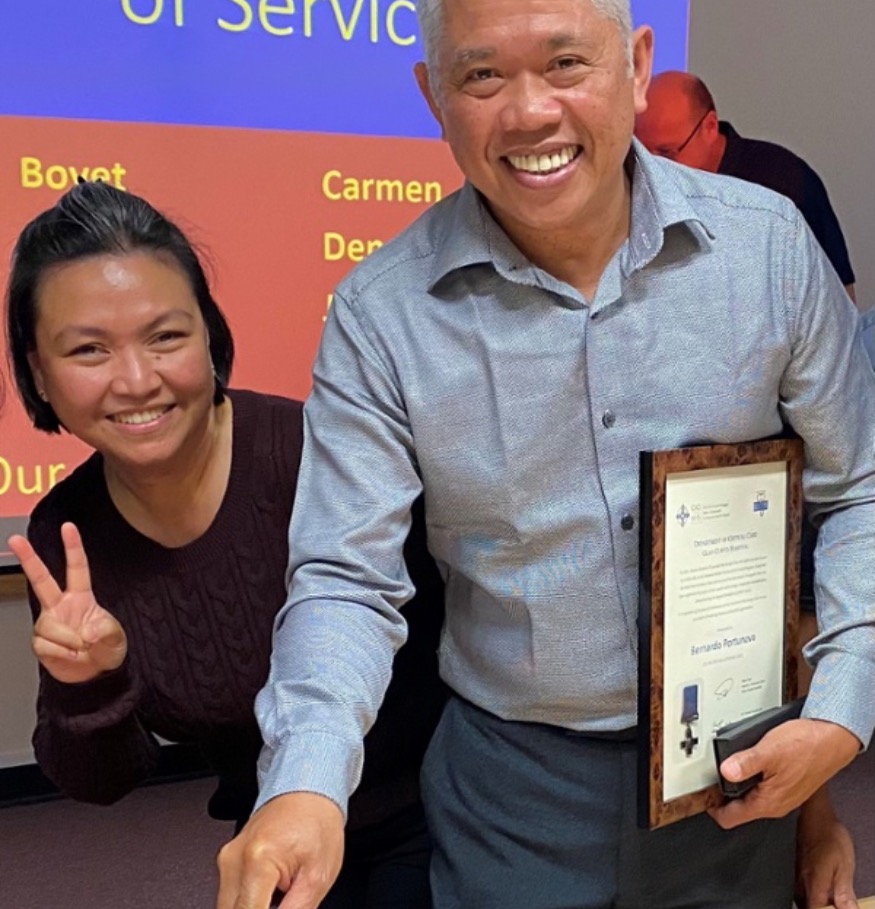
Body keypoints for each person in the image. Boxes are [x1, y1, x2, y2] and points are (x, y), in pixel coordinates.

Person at [218, 2, 875, 908]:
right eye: (482, 74)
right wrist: (304, 780)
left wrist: (841, 704)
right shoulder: (381, 315)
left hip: (736, 764)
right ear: (433, 96)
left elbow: (856, 491)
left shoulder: (767, 250)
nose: (529, 112)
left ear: (636, 68)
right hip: (512, 791)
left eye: (566, 63)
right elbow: (345, 578)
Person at [4, 181, 446, 908]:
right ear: (38, 374)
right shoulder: (66, 537)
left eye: (165, 337)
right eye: (88, 350)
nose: (136, 380)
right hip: (276, 827)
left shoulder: (320, 453)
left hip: (440, 807)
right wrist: (92, 683)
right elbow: (102, 783)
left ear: (210, 336)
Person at [634, 70, 857, 302]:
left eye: (667, 153)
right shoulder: (633, 184)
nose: (652, 168)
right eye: (641, 151)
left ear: (709, 127)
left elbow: (838, 298)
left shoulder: (782, 184)